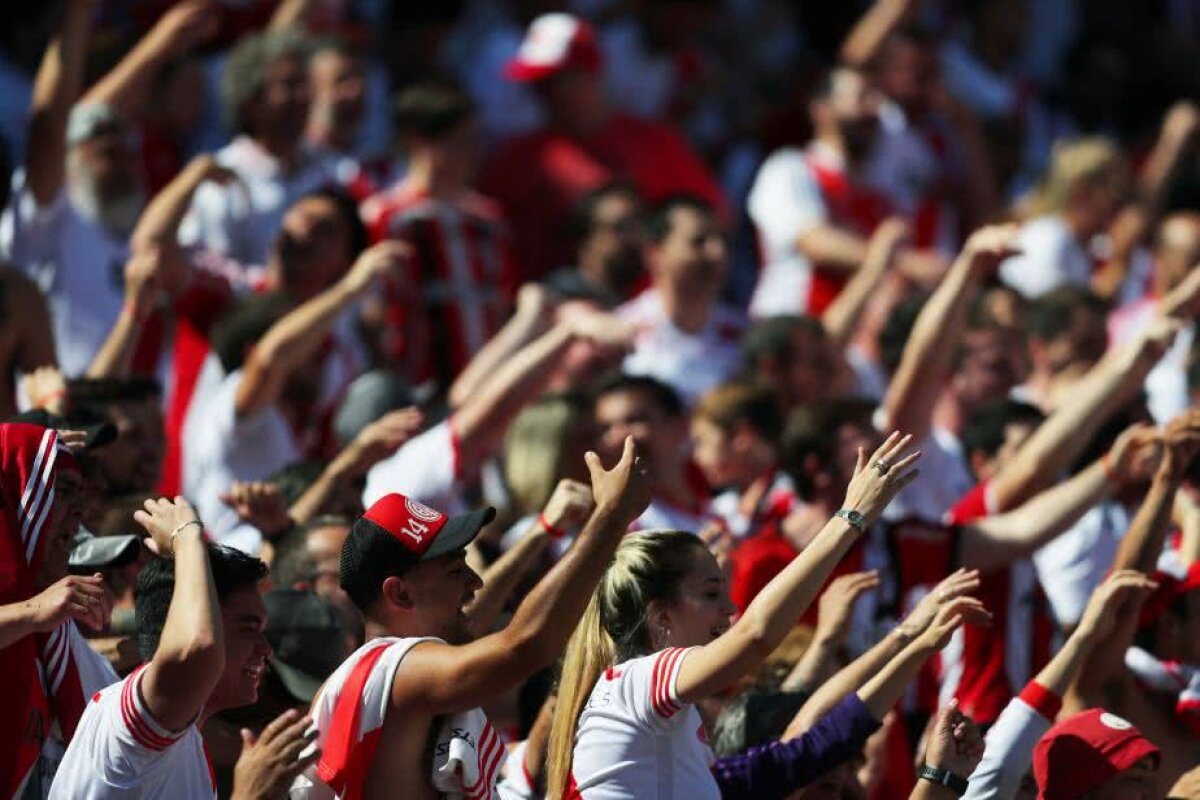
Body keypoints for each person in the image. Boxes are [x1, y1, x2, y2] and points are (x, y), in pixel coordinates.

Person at [544, 432, 924, 797]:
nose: (730, 609)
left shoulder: (676, 717)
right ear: (660, 616)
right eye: (711, 594)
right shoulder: (632, 682)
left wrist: (914, 641)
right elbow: (756, 634)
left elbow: (790, 758)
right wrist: (850, 518)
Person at [297, 436, 651, 799]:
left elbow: (474, 620)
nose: (475, 581)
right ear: (400, 594)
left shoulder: (393, 668)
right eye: (454, 573)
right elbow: (524, 646)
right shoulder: (394, 669)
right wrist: (610, 517)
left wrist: (544, 530)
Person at [48, 495, 316, 799]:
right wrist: (187, 537)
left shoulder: (187, 745)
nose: (266, 649)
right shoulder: (132, 721)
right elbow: (196, 647)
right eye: (248, 629)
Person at [183, 240, 407, 551]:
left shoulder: (295, 419)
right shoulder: (231, 400)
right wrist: (351, 287)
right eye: (305, 340)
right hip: (236, 567)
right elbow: (269, 359)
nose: (318, 351)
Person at [480, 12, 726, 282]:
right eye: (538, 84)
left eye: (556, 80)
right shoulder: (518, 159)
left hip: (642, 312)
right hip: (550, 309)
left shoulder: (653, 143)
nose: (544, 94)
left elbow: (715, 217)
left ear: (589, 73)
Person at [747, 65, 947, 317]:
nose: (875, 109)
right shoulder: (790, 168)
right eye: (862, 97)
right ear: (823, 111)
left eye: (877, 98)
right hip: (792, 331)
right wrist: (903, 262)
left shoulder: (883, 192)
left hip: (847, 343)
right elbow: (814, 241)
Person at [362, 80, 515, 387]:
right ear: (417, 142)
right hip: (419, 384)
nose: (470, 154)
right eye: (457, 142)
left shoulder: (488, 218)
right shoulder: (385, 216)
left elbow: (503, 297)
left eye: (474, 141)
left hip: (485, 380)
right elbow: (375, 306)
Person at [0, 424, 116, 798]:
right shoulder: (40, 614)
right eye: (62, 491)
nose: (80, 511)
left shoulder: (60, 642)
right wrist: (31, 612)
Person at [184, 29, 341, 265]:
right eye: (289, 85)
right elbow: (212, 272)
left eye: (304, 83)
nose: (303, 96)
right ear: (250, 103)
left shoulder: (331, 168)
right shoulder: (222, 180)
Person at [618, 195, 744, 406]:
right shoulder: (622, 331)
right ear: (654, 253)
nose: (717, 253)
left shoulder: (744, 335)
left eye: (723, 240)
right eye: (698, 241)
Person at [592, 374, 713, 533]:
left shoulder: (727, 493)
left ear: (680, 426)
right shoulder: (628, 528)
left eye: (635, 420)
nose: (618, 437)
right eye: (605, 428)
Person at [542, 181, 645, 308]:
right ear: (585, 241)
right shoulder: (558, 297)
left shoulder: (640, 299)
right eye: (621, 227)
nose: (634, 237)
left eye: (639, 226)